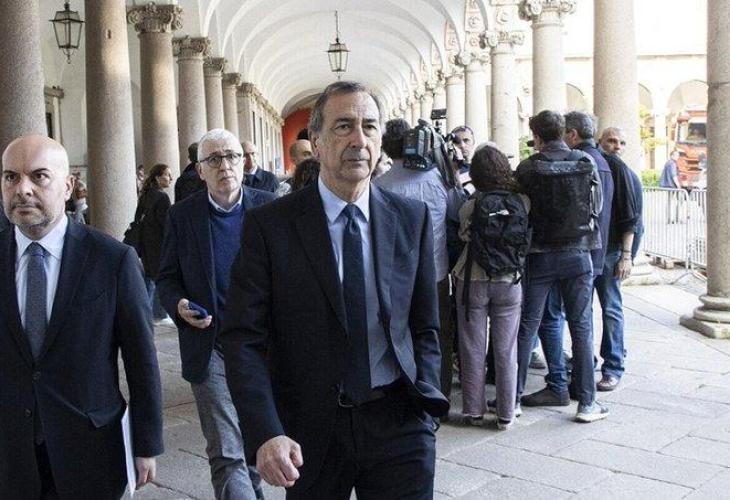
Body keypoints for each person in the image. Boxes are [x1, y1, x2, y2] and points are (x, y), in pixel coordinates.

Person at [220, 81, 449, 499]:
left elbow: (425, 324)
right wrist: (267, 431)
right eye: (344, 126)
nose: (359, 140)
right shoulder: (271, 226)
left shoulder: (410, 218)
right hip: (309, 432)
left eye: (370, 126)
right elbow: (242, 337)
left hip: (399, 422)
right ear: (317, 140)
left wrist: (427, 406)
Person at [0, 135, 163, 498]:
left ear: (68, 186)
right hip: (10, 454)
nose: (22, 189)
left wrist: (146, 443)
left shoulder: (112, 260)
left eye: (39, 176)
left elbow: (141, 359)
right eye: (11, 177)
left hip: (91, 449)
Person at [157, 129, 274, 500]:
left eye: (233, 156)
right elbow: (167, 278)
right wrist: (178, 305)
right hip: (211, 346)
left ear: (244, 162)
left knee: (258, 443)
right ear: (200, 170)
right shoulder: (182, 216)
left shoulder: (270, 208)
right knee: (226, 450)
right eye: (214, 159)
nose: (226, 166)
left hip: (263, 346)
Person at [515, 110, 608, 423]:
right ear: (563, 132)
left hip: (539, 254)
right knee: (581, 327)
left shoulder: (528, 167)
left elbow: (521, 210)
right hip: (578, 253)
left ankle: (512, 399)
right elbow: (596, 206)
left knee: (528, 324)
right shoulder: (585, 161)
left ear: (537, 137)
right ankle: (587, 403)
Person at [375, 117, 459, 401]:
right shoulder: (438, 180)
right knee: (437, 332)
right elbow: (456, 215)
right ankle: (439, 390)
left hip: (392, 276)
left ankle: (404, 388)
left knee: (398, 332)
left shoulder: (379, 186)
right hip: (436, 271)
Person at [451, 144, 529, 430]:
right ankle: (506, 413)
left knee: (472, 346)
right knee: (506, 348)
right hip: (509, 280)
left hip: (472, 277)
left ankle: (473, 410)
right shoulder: (522, 201)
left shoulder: (471, 204)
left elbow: (463, 235)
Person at [593, 126, 643, 391]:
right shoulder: (595, 166)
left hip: (612, 251)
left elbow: (633, 221)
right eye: (612, 141)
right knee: (581, 311)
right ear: (600, 141)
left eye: (622, 143)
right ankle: (587, 359)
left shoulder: (626, 174)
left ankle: (613, 366)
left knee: (611, 309)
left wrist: (627, 256)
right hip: (591, 250)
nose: (617, 147)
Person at [136, 163, 173, 323]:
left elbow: (137, 219)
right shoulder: (162, 197)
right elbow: (166, 224)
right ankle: (158, 312)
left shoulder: (146, 195)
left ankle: (145, 311)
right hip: (159, 243)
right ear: (158, 178)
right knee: (159, 277)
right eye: (167, 175)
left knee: (150, 277)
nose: (170, 178)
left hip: (146, 242)